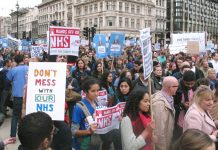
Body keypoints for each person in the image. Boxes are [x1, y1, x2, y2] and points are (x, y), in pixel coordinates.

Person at [72, 77, 100, 150]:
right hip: (83, 144)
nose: (96, 93)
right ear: (85, 91)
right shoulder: (79, 107)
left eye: (98, 90)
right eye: (93, 91)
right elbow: (73, 131)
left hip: (95, 142)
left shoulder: (97, 103)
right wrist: (88, 131)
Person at [152, 76, 179, 150]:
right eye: (176, 86)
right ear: (170, 87)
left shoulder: (169, 97)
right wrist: (163, 148)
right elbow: (159, 131)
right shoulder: (159, 105)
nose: (178, 88)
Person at [6, 54, 28, 138]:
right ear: (23, 59)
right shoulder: (28, 68)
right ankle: (24, 136)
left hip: (17, 96)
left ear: (15, 61)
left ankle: (12, 136)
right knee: (26, 117)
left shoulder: (13, 70)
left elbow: (7, 81)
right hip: (27, 96)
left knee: (15, 116)